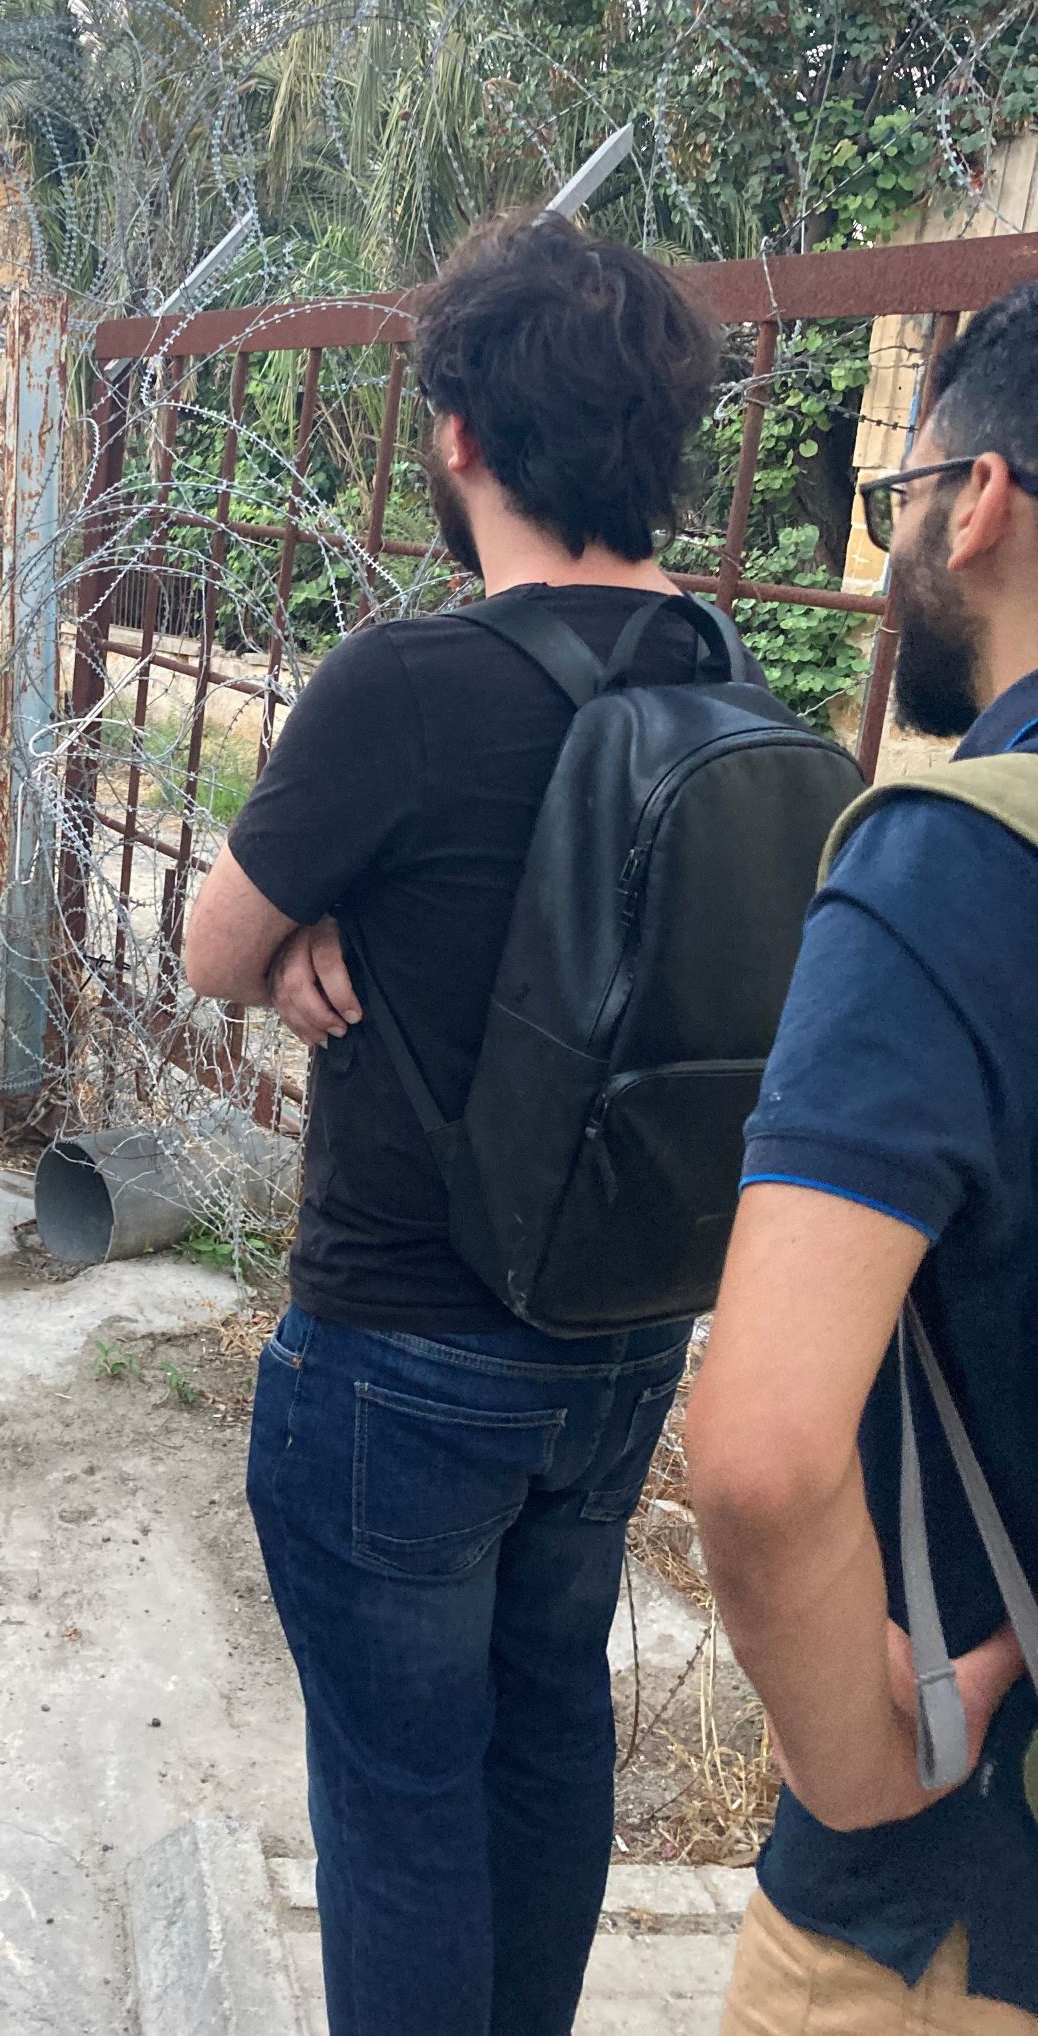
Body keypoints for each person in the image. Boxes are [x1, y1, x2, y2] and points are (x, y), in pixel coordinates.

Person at [186, 211, 736, 2036]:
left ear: (455, 437)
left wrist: (291, 943)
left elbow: (209, 944)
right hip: (622, 1335)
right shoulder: (729, 677)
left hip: (405, 1345)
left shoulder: (404, 684)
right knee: (545, 1728)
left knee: (403, 1795)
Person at [688, 284, 1038, 2030]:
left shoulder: (952, 861)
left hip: (950, 1914)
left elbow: (756, 1454)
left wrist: (859, 1764)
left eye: (895, 492)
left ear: (976, 499)